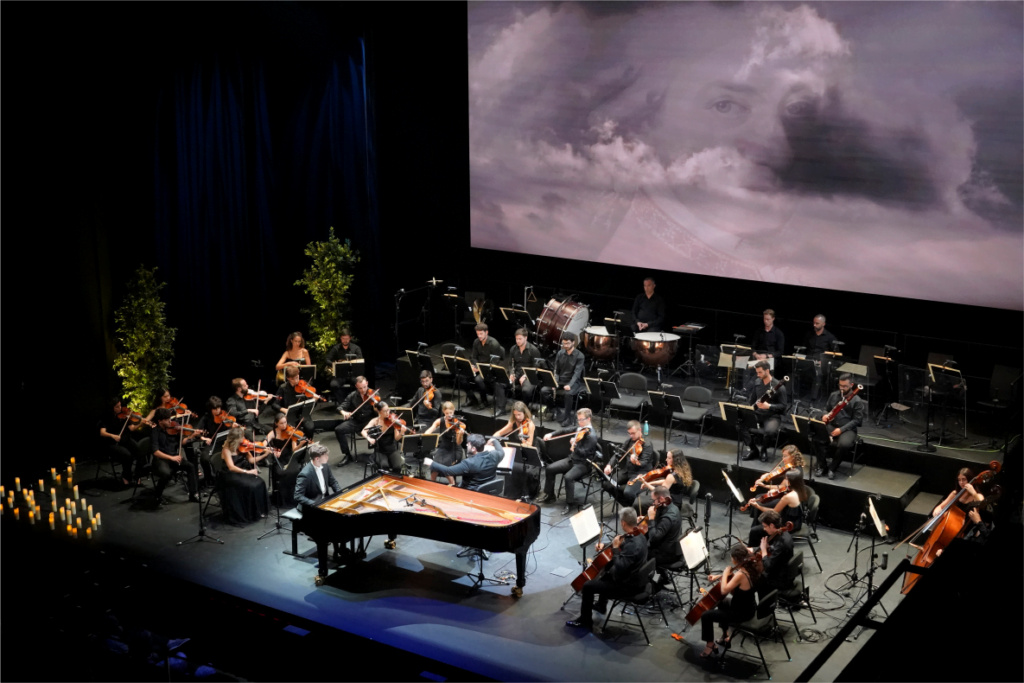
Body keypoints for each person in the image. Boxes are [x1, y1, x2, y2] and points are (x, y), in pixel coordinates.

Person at [566, 507, 649, 630]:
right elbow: (624, 548)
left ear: (623, 523)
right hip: (634, 577)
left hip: (628, 586)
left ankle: (585, 621)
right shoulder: (639, 535)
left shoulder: (633, 545)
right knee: (606, 571)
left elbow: (620, 566)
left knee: (588, 586)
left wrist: (615, 548)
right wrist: (606, 546)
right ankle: (601, 605)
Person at [699, 544, 760, 660]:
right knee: (722, 602)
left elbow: (724, 590)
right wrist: (719, 576)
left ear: (735, 559)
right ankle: (725, 636)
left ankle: (710, 645)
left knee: (706, 615)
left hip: (740, 613)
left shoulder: (741, 574)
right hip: (749, 607)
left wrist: (725, 573)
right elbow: (734, 582)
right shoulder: (749, 567)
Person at [536, 408, 601, 514]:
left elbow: (584, 453)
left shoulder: (592, 436)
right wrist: (552, 434)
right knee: (550, 468)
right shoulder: (580, 428)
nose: (579, 422)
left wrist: (574, 445)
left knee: (568, 477)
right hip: (572, 459)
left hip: (584, 464)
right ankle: (550, 495)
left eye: (581, 420)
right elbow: (565, 430)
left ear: (588, 419)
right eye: (578, 420)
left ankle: (569, 503)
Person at [813, 374, 866, 479]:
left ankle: (832, 468)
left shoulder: (857, 401)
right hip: (831, 425)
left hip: (847, 429)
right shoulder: (833, 395)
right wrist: (824, 415)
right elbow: (826, 409)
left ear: (851, 385)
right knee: (816, 438)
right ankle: (823, 466)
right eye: (840, 385)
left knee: (844, 444)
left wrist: (841, 430)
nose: (842, 388)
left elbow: (857, 420)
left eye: (845, 386)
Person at [217, 428, 268, 525]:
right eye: (242, 437)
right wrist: (247, 472)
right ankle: (250, 514)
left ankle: (259, 511)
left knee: (260, 482)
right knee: (250, 486)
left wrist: (264, 455)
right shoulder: (226, 450)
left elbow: (252, 460)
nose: (244, 438)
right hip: (229, 475)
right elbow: (231, 467)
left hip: (242, 472)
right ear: (236, 439)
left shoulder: (243, 447)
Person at [740, 360, 788, 461]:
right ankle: (753, 450)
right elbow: (752, 400)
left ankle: (763, 450)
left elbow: (783, 406)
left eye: (760, 372)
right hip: (757, 413)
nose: (758, 375)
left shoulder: (779, 387)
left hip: (772, 416)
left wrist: (769, 406)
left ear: (767, 371)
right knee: (740, 424)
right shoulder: (757, 383)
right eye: (757, 372)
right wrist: (749, 410)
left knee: (770, 431)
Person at [150, 408, 200, 504]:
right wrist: (171, 458)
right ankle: (157, 496)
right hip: (161, 460)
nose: (170, 421)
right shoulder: (155, 432)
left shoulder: (173, 429)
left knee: (191, 467)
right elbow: (155, 452)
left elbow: (182, 442)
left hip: (173, 458)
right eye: (167, 419)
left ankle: (193, 494)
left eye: (170, 418)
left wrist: (192, 436)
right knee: (166, 474)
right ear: (160, 421)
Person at [602, 420, 655, 507]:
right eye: (629, 433)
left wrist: (636, 462)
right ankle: (626, 505)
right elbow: (618, 454)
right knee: (607, 484)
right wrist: (609, 465)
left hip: (640, 473)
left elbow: (644, 463)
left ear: (640, 430)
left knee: (628, 493)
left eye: (633, 433)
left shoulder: (647, 444)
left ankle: (632, 510)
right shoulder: (629, 441)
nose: (631, 436)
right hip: (627, 470)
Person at [747, 468, 806, 545]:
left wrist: (757, 506)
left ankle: (753, 551)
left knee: (755, 531)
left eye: (787, 480)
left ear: (791, 482)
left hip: (788, 524)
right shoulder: (800, 489)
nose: (785, 482)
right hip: (797, 521)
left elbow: (774, 511)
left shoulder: (789, 496)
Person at [424, 433, 504, 491]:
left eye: (468, 444)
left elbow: (448, 471)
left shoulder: (469, 463)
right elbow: (501, 450)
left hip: (471, 491)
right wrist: (494, 440)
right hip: (488, 488)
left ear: (473, 449)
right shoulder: (495, 455)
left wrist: (431, 463)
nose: (466, 445)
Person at [540, 332, 586, 426]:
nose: (565, 345)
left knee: (568, 394)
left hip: (574, 382)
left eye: (567, 343)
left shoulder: (580, 356)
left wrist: (569, 385)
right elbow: (556, 370)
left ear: (573, 342)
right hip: (561, 380)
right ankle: (555, 410)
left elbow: (577, 373)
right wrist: (555, 382)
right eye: (564, 343)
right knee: (544, 390)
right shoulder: (560, 353)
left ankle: (567, 417)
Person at [99, 398, 146, 486]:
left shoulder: (124, 416)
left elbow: (132, 428)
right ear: (112, 407)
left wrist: (141, 423)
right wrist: (113, 435)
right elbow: (102, 432)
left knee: (141, 452)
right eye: (117, 407)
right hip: (112, 442)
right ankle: (126, 476)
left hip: (126, 439)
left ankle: (137, 476)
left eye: (120, 405)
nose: (120, 408)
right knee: (128, 456)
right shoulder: (107, 417)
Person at [333, 376, 377, 467]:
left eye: (365, 387)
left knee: (378, 429)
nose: (363, 390)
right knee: (338, 429)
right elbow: (340, 407)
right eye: (360, 388)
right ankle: (347, 455)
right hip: (356, 421)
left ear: (367, 383)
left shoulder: (374, 394)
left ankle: (377, 454)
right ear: (356, 386)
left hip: (370, 422)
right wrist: (344, 412)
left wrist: (376, 406)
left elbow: (379, 411)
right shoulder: (352, 396)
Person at [494, 328, 541, 415]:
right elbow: (511, 364)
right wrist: (512, 373)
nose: (518, 341)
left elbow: (537, 367)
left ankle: (524, 409)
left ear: (525, 338)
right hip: (517, 373)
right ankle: (501, 408)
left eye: (520, 339)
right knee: (499, 383)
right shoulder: (513, 349)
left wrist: (526, 375)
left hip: (529, 375)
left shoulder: (533, 350)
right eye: (516, 339)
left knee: (526, 390)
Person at [639, 449, 695, 521]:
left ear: (675, 460)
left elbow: (659, 492)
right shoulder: (681, 470)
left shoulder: (672, 476)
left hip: (670, 503)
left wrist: (645, 483)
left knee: (638, 504)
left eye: (669, 458)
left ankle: (647, 525)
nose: (666, 460)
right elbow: (667, 481)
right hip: (678, 500)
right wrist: (651, 483)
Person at [751, 510, 794, 596]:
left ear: (772, 525)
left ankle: (762, 605)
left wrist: (763, 550)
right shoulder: (784, 534)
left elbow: (768, 566)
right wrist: (768, 548)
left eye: (765, 526)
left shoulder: (781, 542)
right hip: (783, 570)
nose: (764, 529)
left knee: (754, 580)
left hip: (780, 579)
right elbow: (778, 553)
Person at [423, 402, 466, 482]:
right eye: (447, 413)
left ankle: (453, 485)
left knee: (445, 467)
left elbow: (458, 443)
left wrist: (460, 434)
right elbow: (430, 429)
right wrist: (425, 435)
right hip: (443, 448)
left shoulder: (457, 424)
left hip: (455, 449)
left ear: (454, 411)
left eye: (451, 413)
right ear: (443, 412)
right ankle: (432, 484)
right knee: (434, 467)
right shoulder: (440, 421)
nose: (449, 415)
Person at [361, 402, 409, 473]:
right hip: (380, 450)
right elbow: (363, 431)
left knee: (397, 467)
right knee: (384, 467)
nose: (388, 413)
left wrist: (401, 432)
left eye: (388, 410)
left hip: (392, 449)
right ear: (379, 411)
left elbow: (396, 438)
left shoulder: (392, 421)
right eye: (385, 411)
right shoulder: (375, 421)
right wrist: (369, 438)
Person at [645, 485, 684, 572]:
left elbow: (654, 537)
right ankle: (663, 575)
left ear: (662, 499)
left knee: (639, 552)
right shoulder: (673, 507)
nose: (653, 503)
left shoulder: (668, 518)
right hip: (672, 547)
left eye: (654, 500)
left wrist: (651, 519)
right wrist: (647, 519)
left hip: (666, 554)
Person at [294, 443, 341, 512]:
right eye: (325, 456)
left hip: (324, 500)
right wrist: (315, 504)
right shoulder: (305, 474)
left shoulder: (325, 466)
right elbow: (298, 496)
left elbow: (333, 482)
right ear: (317, 458)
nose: (327, 458)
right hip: (311, 505)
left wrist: (340, 494)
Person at [466, 323, 505, 408]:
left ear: (486, 332)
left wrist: (479, 369)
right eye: (477, 334)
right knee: (462, 375)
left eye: (481, 334)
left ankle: (484, 401)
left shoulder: (494, 344)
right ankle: (472, 399)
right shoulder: (476, 342)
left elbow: (494, 363)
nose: (479, 336)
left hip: (489, 369)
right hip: (479, 367)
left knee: (478, 379)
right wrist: (474, 366)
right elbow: (473, 357)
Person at [802, 315, 839, 402]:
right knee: (794, 370)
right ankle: (792, 396)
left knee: (817, 374)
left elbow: (834, 354)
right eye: (814, 323)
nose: (814, 325)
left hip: (820, 363)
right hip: (808, 361)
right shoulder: (809, 334)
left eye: (817, 323)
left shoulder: (830, 337)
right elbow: (804, 349)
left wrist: (824, 361)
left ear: (823, 324)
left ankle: (813, 399)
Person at [325, 328, 363, 395]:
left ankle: (356, 401)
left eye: (347, 338)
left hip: (353, 374)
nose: (345, 341)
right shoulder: (336, 348)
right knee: (333, 385)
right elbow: (327, 359)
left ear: (350, 338)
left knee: (361, 384)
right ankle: (343, 403)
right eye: (343, 338)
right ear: (340, 338)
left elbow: (360, 360)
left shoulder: (356, 348)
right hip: (340, 375)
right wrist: (335, 364)